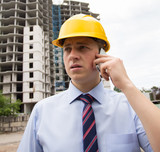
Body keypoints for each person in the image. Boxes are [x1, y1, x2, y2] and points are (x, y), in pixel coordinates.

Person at [17, 14, 160, 152]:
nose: (72, 55)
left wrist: (126, 85)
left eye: (82, 47)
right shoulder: (42, 111)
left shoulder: (130, 107)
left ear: (102, 54)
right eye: (67, 49)